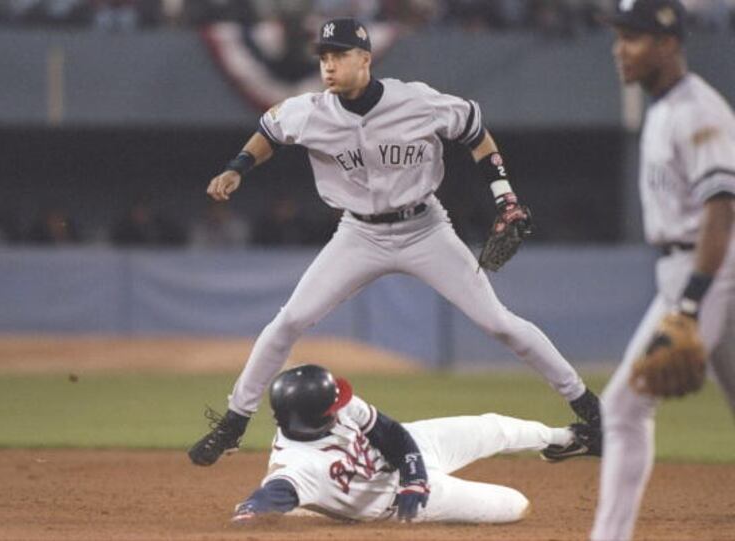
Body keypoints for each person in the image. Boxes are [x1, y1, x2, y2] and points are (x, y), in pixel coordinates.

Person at [189, 17, 602, 467]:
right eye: (324, 56)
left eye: (339, 55)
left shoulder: (416, 101)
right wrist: (237, 167)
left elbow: (475, 132)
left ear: (365, 59)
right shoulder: (308, 111)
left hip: (425, 228)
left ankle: (590, 408)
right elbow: (269, 133)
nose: (329, 65)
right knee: (288, 321)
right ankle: (233, 422)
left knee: (500, 324)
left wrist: (505, 196)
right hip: (359, 234)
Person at [591, 2, 735, 540]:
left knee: (623, 410)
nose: (619, 50)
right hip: (696, 266)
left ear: (668, 43)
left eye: (632, 38)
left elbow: (722, 209)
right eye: (619, 38)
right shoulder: (663, 108)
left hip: (708, 266)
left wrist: (691, 304)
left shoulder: (699, 111)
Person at [230, 364, 600, 524]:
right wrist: (250, 512)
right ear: (313, 417)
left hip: (414, 457)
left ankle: (568, 439)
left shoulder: (337, 405)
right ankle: (316, 507)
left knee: (494, 427)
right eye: (333, 405)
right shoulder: (298, 466)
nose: (341, 403)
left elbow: (391, 433)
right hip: (402, 502)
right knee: (517, 505)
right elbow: (268, 496)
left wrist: (413, 477)